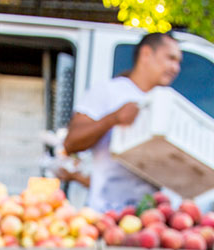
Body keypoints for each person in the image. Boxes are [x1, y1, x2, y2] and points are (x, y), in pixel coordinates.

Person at [63, 32, 182, 213]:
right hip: (105, 214)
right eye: (170, 58)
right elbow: (71, 143)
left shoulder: (168, 105)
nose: (176, 68)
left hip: (152, 219)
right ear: (146, 54)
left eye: (179, 62)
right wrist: (113, 118)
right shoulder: (108, 91)